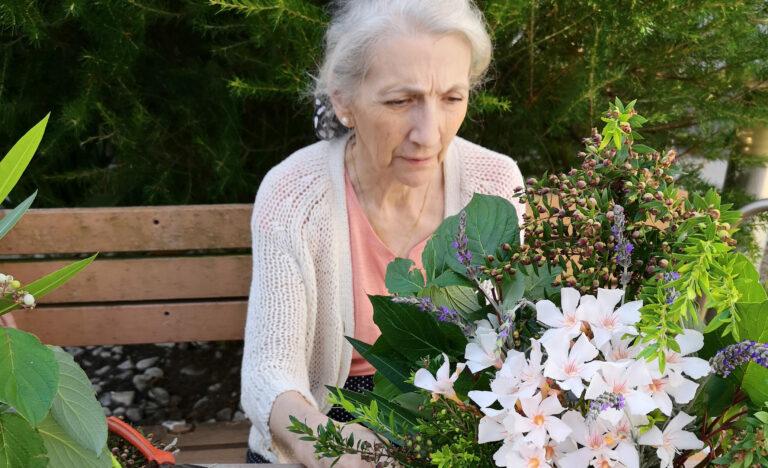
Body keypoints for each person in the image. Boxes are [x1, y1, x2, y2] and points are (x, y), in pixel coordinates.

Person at [240, 0, 526, 465]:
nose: (429, 134)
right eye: (400, 101)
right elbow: (268, 374)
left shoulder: (494, 182)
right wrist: (328, 447)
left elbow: (519, 337)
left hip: (452, 424)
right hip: (322, 423)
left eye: (452, 98)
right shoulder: (293, 194)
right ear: (343, 100)